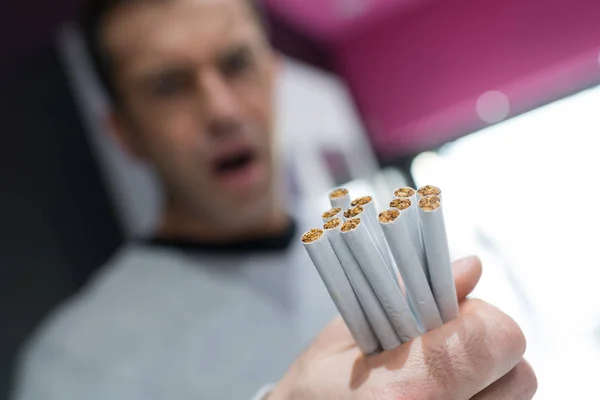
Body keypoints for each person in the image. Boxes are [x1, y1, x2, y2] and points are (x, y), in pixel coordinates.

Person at [12, 0, 537, 399]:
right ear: (125, 132)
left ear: (272, 76)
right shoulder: (73, 363)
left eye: (236, 63)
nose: (220, 109)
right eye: (169, 85)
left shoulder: (377, 255)